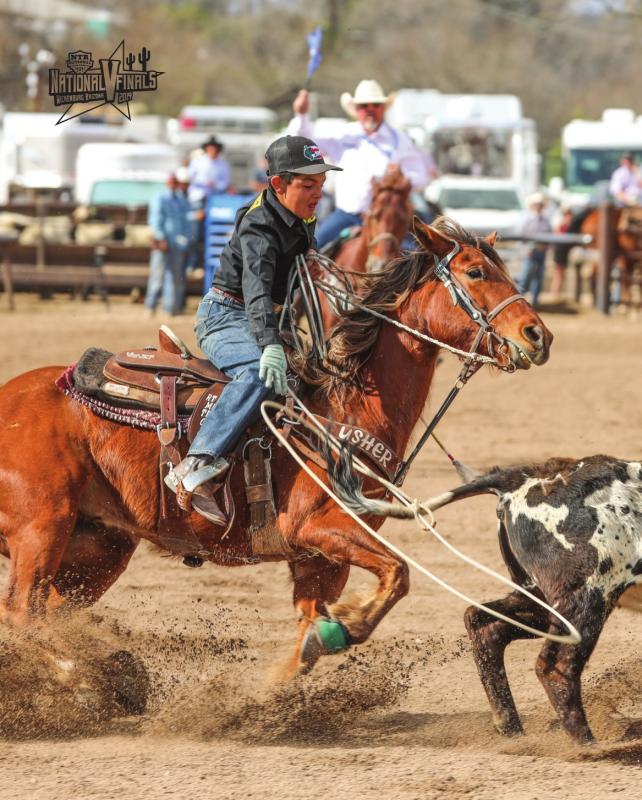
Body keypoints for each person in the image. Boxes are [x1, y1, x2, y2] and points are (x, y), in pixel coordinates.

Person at [164, 135, 342, 523]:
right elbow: (257, 291)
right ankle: (197, 461)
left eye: (321, 186)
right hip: (224, 317)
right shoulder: (259, 226)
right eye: (308, 186)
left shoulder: (299, 219)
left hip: (266, 319)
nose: (317, 194)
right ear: (279, 185)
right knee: (258, 372)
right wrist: (269, 344)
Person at [288, 79, 432, 248]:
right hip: (348, 215)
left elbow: (420, 177)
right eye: (364, 106)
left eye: (376, 105)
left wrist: (397, 178)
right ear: (356, 110)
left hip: (388, 219)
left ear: (383, 108)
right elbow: (305, 145)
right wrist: (302, 115)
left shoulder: (400, 139)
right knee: (309, 248)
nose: (370, 109)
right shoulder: (342, 135)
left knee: (417, 257)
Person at [144, 172, 193, 316]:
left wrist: (185, 243)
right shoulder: (160, 198)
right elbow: (155, 219)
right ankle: (151, 306)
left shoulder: (181, 200)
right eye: (171, 181)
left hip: (177, 243)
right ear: (167, 183)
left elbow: (186, 223)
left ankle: (172, 308)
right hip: (162, 243)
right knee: (157, 276)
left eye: (175, 181)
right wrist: (160, 238)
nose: (173, 184)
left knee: (176, 277)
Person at [518, 192, 551, 309]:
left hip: (541, 251)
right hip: (530, 252)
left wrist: (546, 247)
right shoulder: (527, 219)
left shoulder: (545, 220)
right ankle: (519, 299)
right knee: (526, 276)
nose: (539, 207)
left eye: (540, 205)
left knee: (538, 277)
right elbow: (522, 236)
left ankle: (535, 301)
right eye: (537, 204)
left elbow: (549, 235)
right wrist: (526, 250)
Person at [187, 135, 231, 206]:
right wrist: (204, 182)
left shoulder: (223, 165)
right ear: (206, 149)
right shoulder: (197, 161)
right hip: (198, 196)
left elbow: (225, 183)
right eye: (210, 148)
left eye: (214, 148)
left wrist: (215, 184)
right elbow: (190, 177)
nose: (212, 150)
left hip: (215, 198)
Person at [550, 205, 573, 300]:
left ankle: (556, 293)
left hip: (559, 249)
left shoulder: (560, 220)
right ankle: (555, 293)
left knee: (559, 272)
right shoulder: (565, 221)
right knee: (559, 272)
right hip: (561, 250)